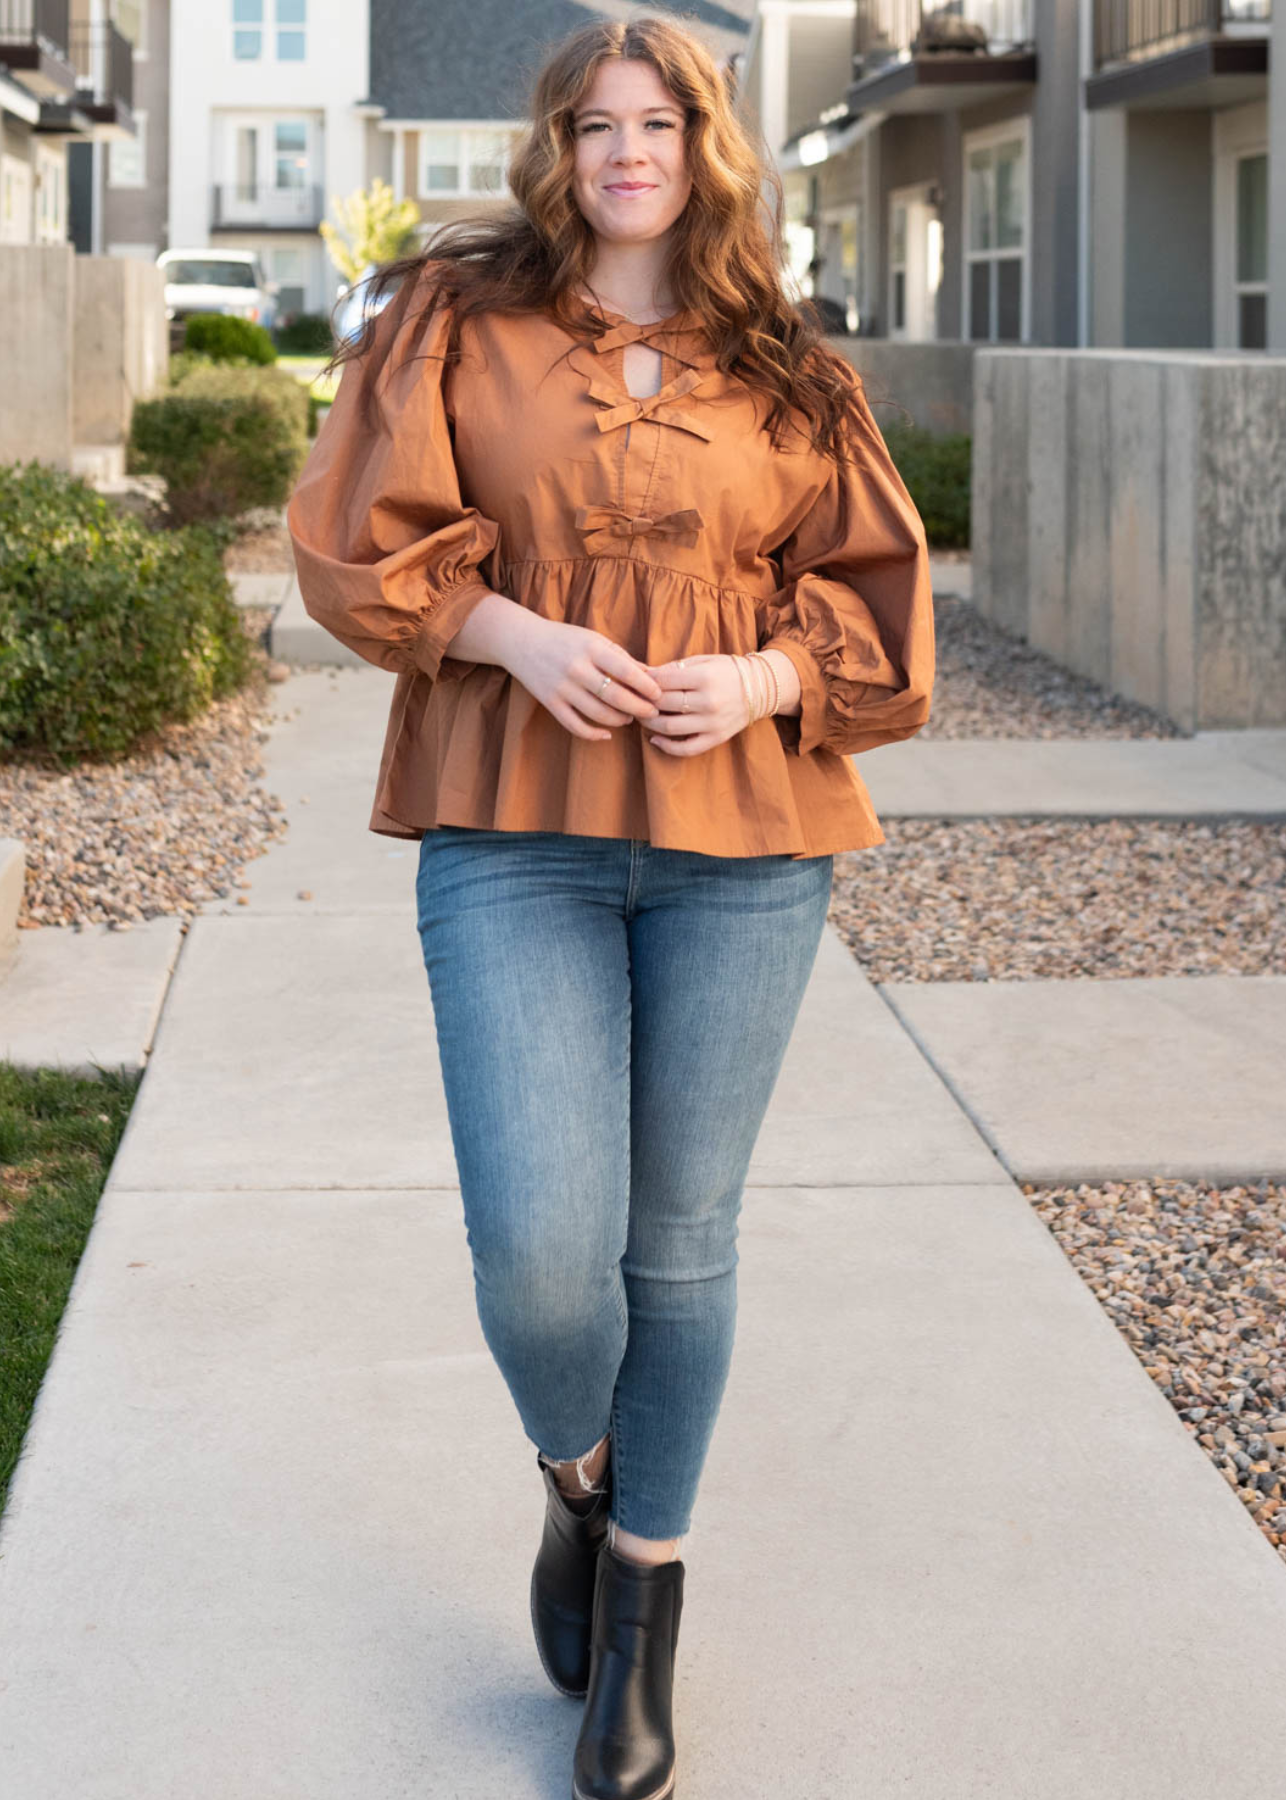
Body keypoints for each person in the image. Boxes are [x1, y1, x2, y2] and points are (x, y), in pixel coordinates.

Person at [287, 16, 933, 1800]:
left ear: (705, 147)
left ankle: (644, 1590)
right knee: (540, 1257)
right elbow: (353, 544)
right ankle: (579, 1473)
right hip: (514, 826)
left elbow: (876, 610)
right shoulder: (450, 321)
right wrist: (508, 632)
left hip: (745, 846)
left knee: (683, 1245)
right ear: (556, 146)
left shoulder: (791, 368)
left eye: (660, 121)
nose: (627, 148)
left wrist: (762, 686)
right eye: (596, 121)